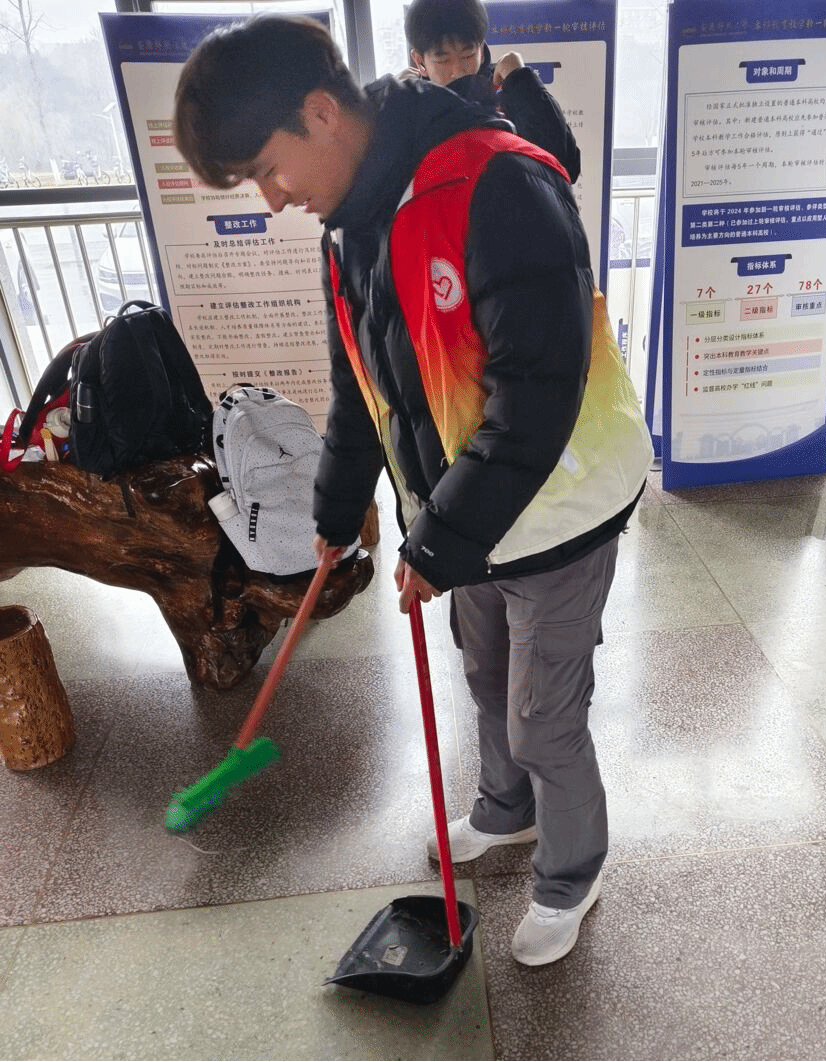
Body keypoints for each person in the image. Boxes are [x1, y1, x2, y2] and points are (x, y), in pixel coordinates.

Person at [173, 14, 651, 966]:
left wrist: (434, 544)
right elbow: (361, 382)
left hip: (560, 505)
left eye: (268, 169)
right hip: (468, 514)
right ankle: (506, 811)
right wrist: (337, 510)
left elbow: (537, 397)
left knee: (543, 716)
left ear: (320, 113)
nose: (273, 199)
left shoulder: (498, 183)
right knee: (486, 677)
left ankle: (572, 873)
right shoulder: (349, 226)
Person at [402, 0, 581, 182]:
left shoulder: (506, 89)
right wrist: (392, 113)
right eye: (443, 60)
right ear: (419, 61)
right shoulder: (409, 109)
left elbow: (566, 167)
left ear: (481, 49)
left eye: (467, 55)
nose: (458, 71)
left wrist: (521, 81)